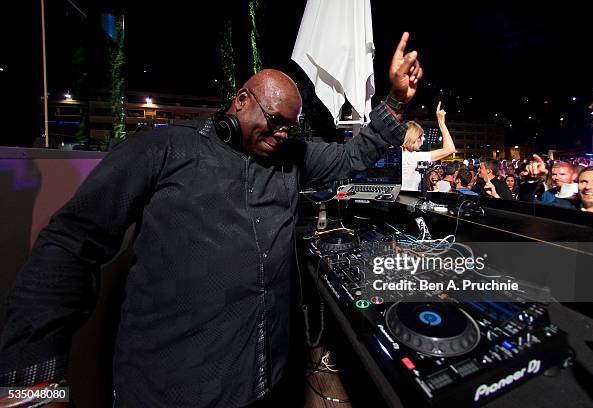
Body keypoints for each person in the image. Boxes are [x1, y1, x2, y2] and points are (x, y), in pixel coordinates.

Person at [0, 33, 424, 407]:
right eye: (274, 122)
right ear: (241, 100)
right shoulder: (162, 150)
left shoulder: (290, 157)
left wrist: (394, 102)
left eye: (288, 128)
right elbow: (72, 243)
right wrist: (33, 386)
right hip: (171, 391)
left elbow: (352, 156)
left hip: (266, 382)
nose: (281, 135)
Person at [400, 101, 457, 191]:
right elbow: (450, 149)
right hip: (406, 201)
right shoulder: (412, 157)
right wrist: (441, 122)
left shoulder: (399, 154)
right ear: (412, 137)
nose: (422, 141)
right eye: (420, 137)